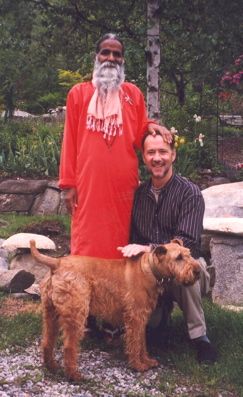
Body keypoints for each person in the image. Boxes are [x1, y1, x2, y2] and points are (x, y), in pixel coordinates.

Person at [59, 32, 171, 259]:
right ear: (96, 56)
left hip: (123, 185)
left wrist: (152, 127)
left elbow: (139, 131)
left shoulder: (133, 94)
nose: (111, 58)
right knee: (87, 239)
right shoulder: (78, 94)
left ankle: (118, 291)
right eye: (106, 52)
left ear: (123, 60)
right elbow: (69, 141)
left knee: (121, 240)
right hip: (88, 183)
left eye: (117, 54)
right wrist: (68, 184)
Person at [118, 131, 217, 364]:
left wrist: (147, 248)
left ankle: (200, 338)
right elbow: (133, 239)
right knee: (151, 328)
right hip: (153, 272)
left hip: (188, 267)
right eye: (151, 152)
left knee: (184, 270)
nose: (157, 158)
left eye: (163, 151)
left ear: (173, 155)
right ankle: (155, 321)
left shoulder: (189, 193)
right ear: (144, 157)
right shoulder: (139, 195)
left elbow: (188, 241)